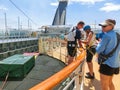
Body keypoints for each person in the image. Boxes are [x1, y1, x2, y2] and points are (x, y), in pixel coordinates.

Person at [96, 19, 120, 90]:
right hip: (115, 63)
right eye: (102, 26)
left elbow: (98, 50)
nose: (102, 27)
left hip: (107, 63)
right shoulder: (117, 35)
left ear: (111, 26)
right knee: (109, 82)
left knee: (104, 85)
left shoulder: (106, 36)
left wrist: (98, 44)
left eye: (104, 26)